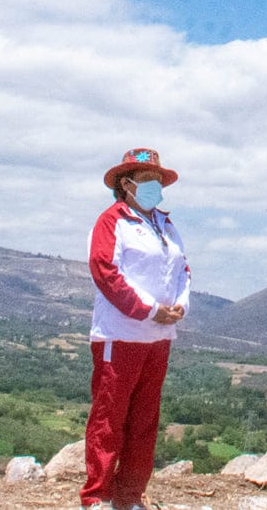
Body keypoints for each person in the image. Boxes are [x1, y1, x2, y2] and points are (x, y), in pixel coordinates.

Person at [82, 148, 190, 510]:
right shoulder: (112, 221)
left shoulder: (167, 225)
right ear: (125, 184)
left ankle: (129, 497)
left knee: (145, 419)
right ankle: (97, 496)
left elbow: (183, 271)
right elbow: (105, 271)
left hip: (158, 338)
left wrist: (179, 306)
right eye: (147, 180)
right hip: (121, 334)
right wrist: (147, 310)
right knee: (110, 418)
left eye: (158, 180)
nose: (155, 186)